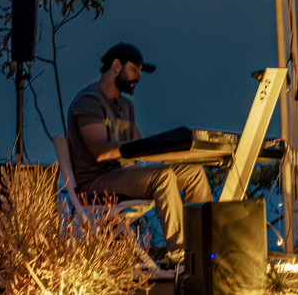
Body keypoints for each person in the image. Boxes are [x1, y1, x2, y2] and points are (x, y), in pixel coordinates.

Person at [66, 42, 212, 268]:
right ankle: (180, 256)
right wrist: (135, 151)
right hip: (97, 181)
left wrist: (172, 148)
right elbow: (100, 151)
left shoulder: (125, 106)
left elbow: (141, 146)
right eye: (134, 69)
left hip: (126, 174)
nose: (139, 77)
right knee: (163, 177)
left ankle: (203, 246)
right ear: (116, 65)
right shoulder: (89, 101)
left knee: (193, 173)